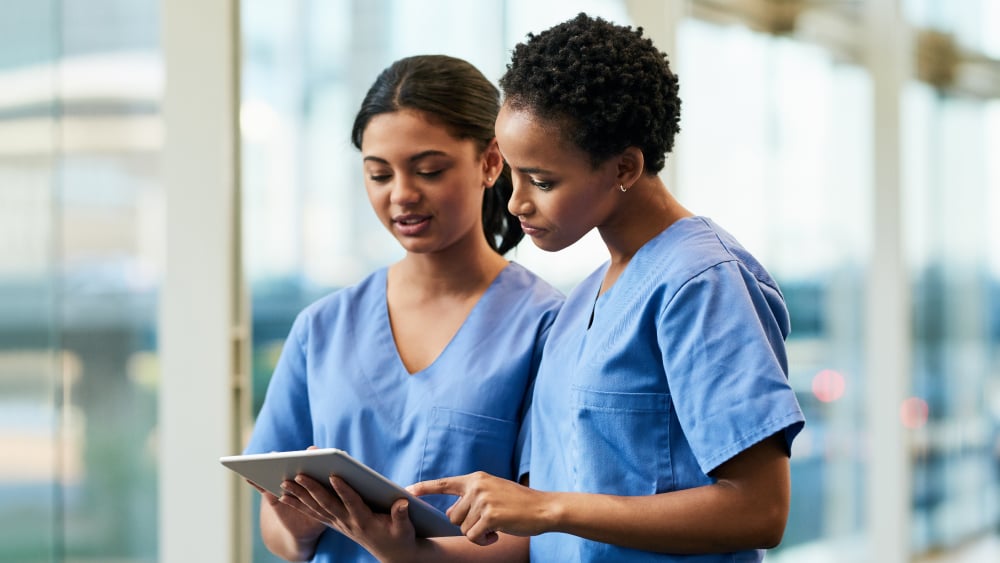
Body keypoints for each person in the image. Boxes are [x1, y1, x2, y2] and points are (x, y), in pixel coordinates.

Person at [409, 13, 806, 562]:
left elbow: (759, 509)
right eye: (513, 177)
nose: (517, 202)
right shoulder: (581, 304)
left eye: (543, 181)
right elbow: (550, 540)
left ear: (625, 166)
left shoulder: (701, 284)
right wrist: (397, 545)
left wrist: (549, 506)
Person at [242, 54, 563, 563]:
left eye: (429, 170)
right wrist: (298, 524)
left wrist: (410, 554)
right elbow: (277, 530)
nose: (402, 195)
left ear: (490, 161)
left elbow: (549, 528)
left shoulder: (546, 326)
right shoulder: (322, 328)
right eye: (379, 174)